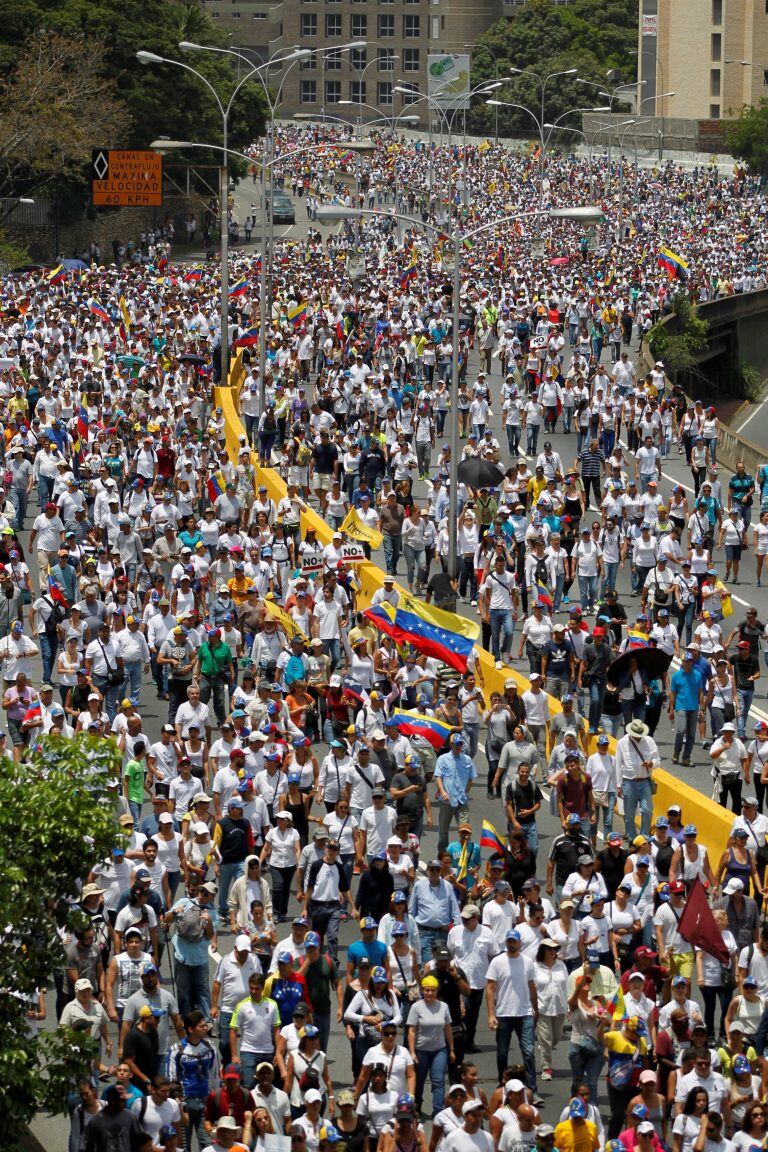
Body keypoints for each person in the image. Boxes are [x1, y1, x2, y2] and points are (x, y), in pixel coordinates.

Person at [486, 929, 539, 1094]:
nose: (511, 944)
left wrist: (535, 1009)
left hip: (525, 1013)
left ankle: (531, 1089)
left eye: (514, 941)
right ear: (506, 942)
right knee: (502, 1053)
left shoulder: (528, 962)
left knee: (528, 1052)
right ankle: (503, 1086)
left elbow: (532, 987)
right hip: (504, 1014)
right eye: (509, 941)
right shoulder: (497, 962)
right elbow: (490, 988)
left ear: (519, 943)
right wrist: (490, 1014)